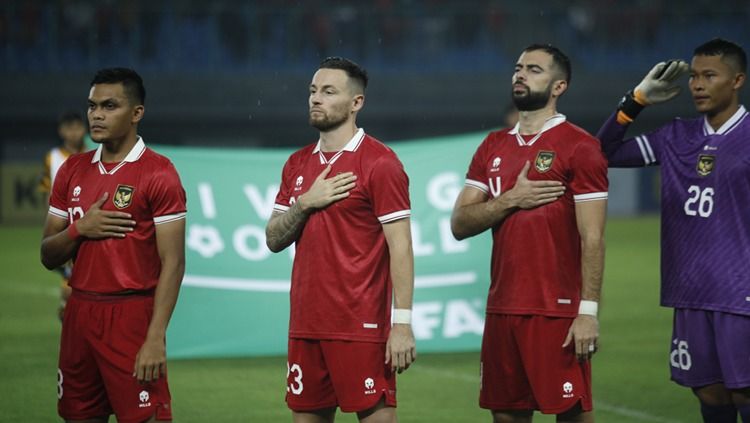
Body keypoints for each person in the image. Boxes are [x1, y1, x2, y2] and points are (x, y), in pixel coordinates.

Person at [451, 44, 608, 423]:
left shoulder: (581, 146)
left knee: (570, 413)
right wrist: (510, 200)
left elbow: (593, 237)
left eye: (534, 69)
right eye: (518, 67)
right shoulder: (493, 145)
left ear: (559, 86)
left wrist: (587, 312)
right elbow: (459, 223)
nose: (520, 74)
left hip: (554, 310)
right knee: (506, 415)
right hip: (502, 307)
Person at [597, 38, 750, 423]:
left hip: (741, 293)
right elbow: (602, 154)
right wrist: (636, 101)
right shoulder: (676, 135)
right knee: (711, 395)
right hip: (691, 292)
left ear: (737, 81)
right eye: (694, 76)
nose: (697, 84)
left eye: (709, 76)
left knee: (745, 392)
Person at [265, 56, 416, 423]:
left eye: (329, 91)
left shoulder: (380, 163)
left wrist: (402, 324)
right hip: (305, 324)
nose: (316, 98)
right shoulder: (297, 164)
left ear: (356, 103)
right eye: (313, 91)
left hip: (359, 326)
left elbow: (401, 247)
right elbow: (272, 238)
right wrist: (305, 203)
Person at [40, 68, 186, 422]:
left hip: (131, 318)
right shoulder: (72, 170)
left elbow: (174, 263)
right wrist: (80, 229)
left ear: (136, 113)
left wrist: (155, 337)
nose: (97, 115)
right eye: (92, 106)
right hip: (79, 314)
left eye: (109, 106)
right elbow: (47, 254)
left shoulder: (159, 173)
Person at [39, 111, 88, 321]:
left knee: (80, 282)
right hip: (64, 229)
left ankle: (69, 319)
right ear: (61, 131)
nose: (73, 132)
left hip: (87, 225)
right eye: (69, 128)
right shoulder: (53, 158)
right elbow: (47, 192)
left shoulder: (94, 154)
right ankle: (69, 325)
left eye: (77, 127)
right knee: (71, 284)